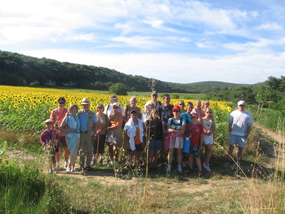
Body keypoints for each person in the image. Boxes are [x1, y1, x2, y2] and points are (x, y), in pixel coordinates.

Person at [225, 100, 253, 167]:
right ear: (237, 106)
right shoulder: (233, 113)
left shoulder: (248, 114)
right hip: (234, 134)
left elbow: (249, 125)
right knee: (230, 148)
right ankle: (228, 161)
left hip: (242, 135)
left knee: (240, 149)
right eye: (240, 105)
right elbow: (229, 123)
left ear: (244, 106)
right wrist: (230, 131)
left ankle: (238, 161)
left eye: (242, 105)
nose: (241, 107)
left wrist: (247, 134)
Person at [60, 104, 81, 173]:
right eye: (72, 109)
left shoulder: (77, 117)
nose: (73, 110)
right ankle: (68, 166)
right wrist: (70, 130)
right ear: (69, 110)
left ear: (76, 110)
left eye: (74, 109)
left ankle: (73, 168)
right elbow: (61, 128)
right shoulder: (67, 117)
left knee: (75, 153)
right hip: (70, 136)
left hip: (77, 136)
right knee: (73, 153)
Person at [50, 97, 69, 170]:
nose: (61, 104)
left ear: (64, 103)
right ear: (57, 103)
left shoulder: (67, 111)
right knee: (57, 149)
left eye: (62, 103)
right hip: (56, 133)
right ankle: (57, 163)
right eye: (60, 103)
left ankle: (66, 163)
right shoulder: (54, 112)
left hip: (65, 133)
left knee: (65, 148)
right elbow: (51, 122)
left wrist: (66, 130)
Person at [78, 98, 97, 171]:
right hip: (81, 134)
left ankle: (88, 164)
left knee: (89, 150)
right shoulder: (79, 113)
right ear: (82, 105)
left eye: (86, 105)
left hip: (89, 134)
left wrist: (95, 134)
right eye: (83, 105)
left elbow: (95, 125)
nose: (85, 106)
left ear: (89, 105)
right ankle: (81, 164)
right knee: (81, 150)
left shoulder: (92, 114)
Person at [166, 105, 186, 173]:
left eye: (177, 111)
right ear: (172, 112)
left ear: (179, 112)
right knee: (170, 152)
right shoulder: (170, 120)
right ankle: (169, 166)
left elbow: (182, 131)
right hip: (172, 138)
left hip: (179, 138)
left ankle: (179, 166)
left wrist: (173, 130)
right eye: (174, 111)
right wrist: (177, 131)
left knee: (179, 153)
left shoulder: (182, 120)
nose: (176, 112)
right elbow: (168, 129)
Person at [106, 102, 123, 167]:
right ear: (112, 108)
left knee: (116, 146)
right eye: (114, 107)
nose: (115, 109)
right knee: (110, 146)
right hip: (111, 132)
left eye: (116, 107)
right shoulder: (111, 115)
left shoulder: (120, 115)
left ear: (119, 108)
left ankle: (116, 160)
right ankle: (111, 159)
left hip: (117, 131)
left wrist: (109, 127)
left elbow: (118, 125)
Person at [202, 107, 216, 172]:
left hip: (210, 136)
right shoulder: (202, 119)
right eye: (207, 112)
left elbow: (214, 129)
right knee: (211, 150)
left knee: (208, 151)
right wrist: (204, 130)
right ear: (205, 112)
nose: (208, 113)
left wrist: (211, 130)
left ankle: (205, 162)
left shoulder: (211, 120)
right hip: (204, 137)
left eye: (210, 112)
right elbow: (200, 127)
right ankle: (206, 165)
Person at [160, 94, 174, 159]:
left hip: (170, 128)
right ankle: (161, 157)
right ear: (163, 100)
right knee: (162, 143)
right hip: (162, 128)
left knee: (169, 143)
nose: (168, 100)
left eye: (169, 98)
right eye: (166, 99)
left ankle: (169, 158)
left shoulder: (172, 107)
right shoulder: (161, 108)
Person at [181, 102, 193, 167]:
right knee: (184, 148)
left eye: (191, 107)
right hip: (184, 134)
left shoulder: (192, 116)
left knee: (188, 148)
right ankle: (183, 161)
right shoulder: (183, 115)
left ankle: (186, 161)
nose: (190, 108)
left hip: (190, 135)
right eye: (189, 107)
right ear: (186, 107)